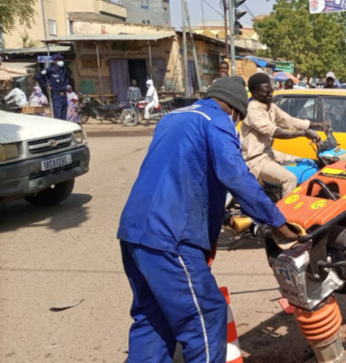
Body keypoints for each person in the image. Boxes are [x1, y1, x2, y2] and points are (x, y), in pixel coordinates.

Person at [117, 76, 300, 363]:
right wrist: (279, 223)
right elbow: (236, 175)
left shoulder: (174, 117)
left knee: (152, 319)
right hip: (171, 237)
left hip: (134, 230)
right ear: (235, 110)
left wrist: (225, 216)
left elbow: (181, 173)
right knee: (205, 316)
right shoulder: (218, 121)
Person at [241, 73, 328, 195]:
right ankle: (286, 213)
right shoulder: (253, 109)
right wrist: (302, 134)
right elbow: (275, 132)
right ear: (255, 94)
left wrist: (318, 124)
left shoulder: (271, 107)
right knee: (289, 178)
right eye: (266, 92)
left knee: (307, 162)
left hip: (270, 153)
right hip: (255, 159)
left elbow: (290, 121)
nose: (270, 94)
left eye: (271, 91)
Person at [35, 54, 72, 120]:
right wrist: (45, 86)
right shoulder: (50, 69)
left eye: (61, 60)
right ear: (55, 61)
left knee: (64, 115)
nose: (61, 61)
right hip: (56, 95)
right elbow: (38, 76)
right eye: (59, 60)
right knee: (58, 115)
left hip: (64, 95)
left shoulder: (63, 70)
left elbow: (67, 78)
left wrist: (66, 86)